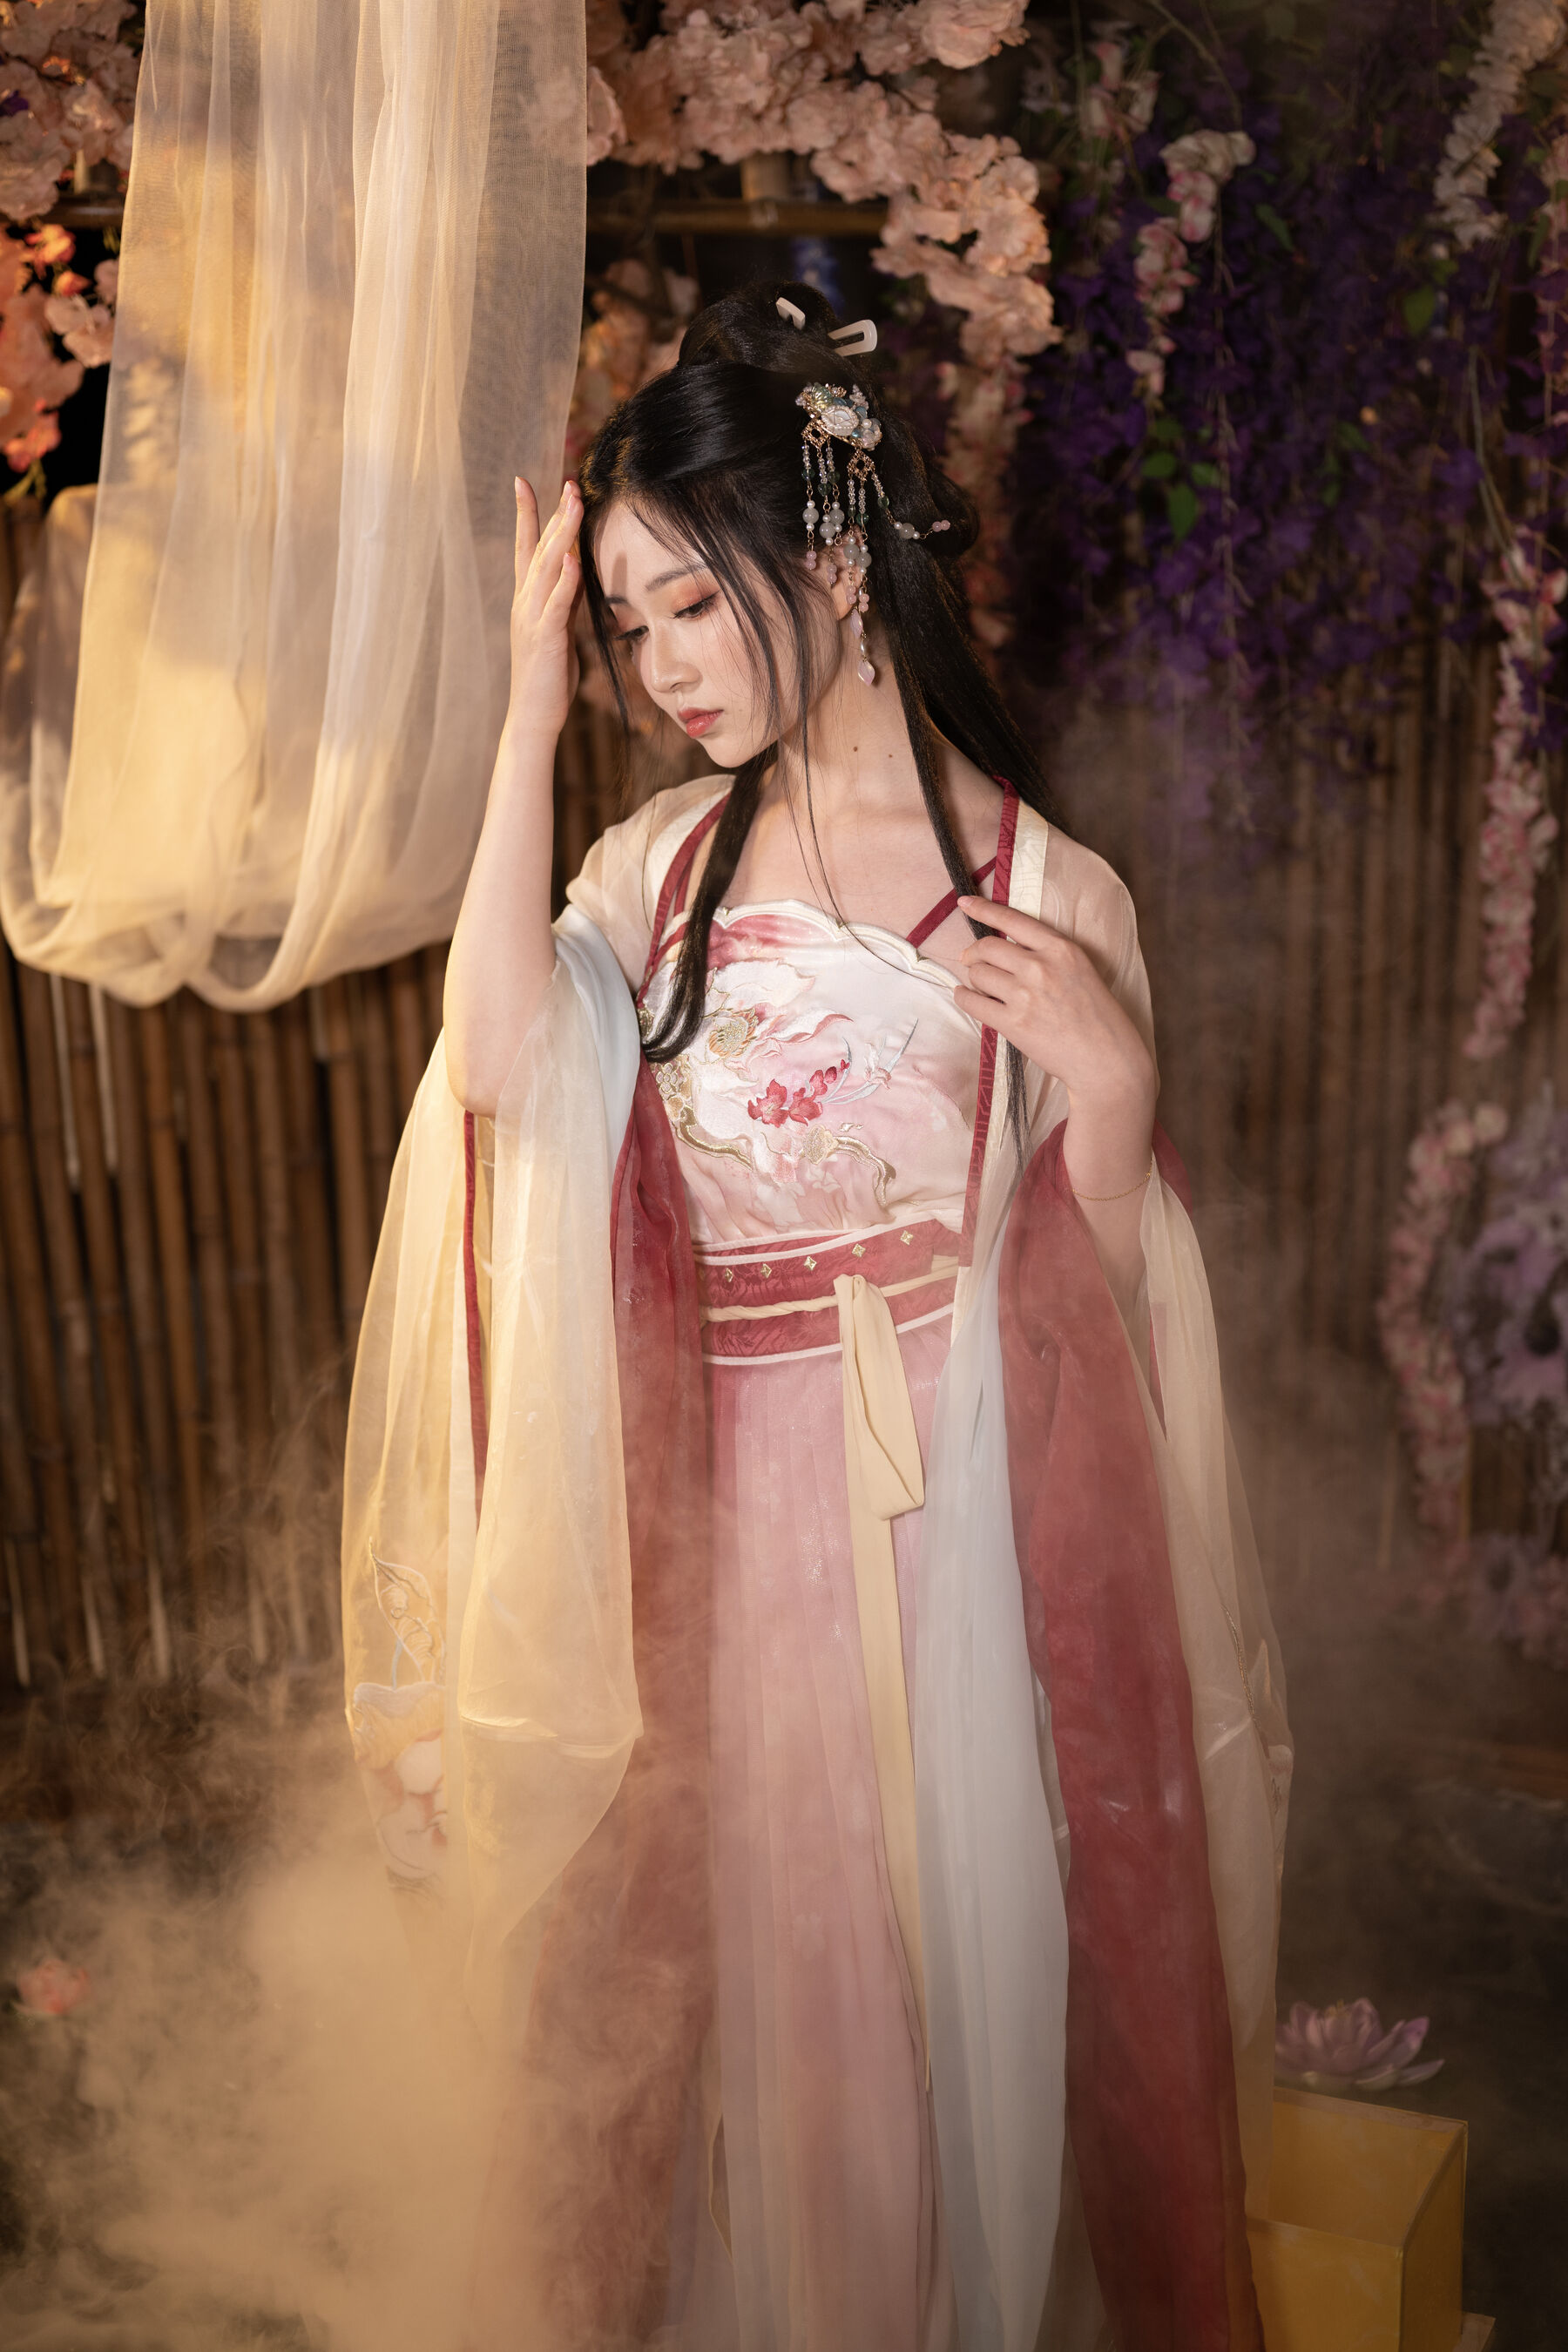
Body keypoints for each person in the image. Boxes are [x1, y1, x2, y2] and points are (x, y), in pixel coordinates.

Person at [341, 280, 1292, 2352]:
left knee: (950, 1974)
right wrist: (519, 716)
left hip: (961, 1517)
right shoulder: (653, 873)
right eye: (628, 624)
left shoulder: (1048, 883)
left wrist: (1114, 1096)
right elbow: (493, 1067)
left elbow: (1111, 1305)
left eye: (696, 601)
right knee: (738, 1984)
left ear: (841, 562)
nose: (666, 663)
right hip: (715, 1520)